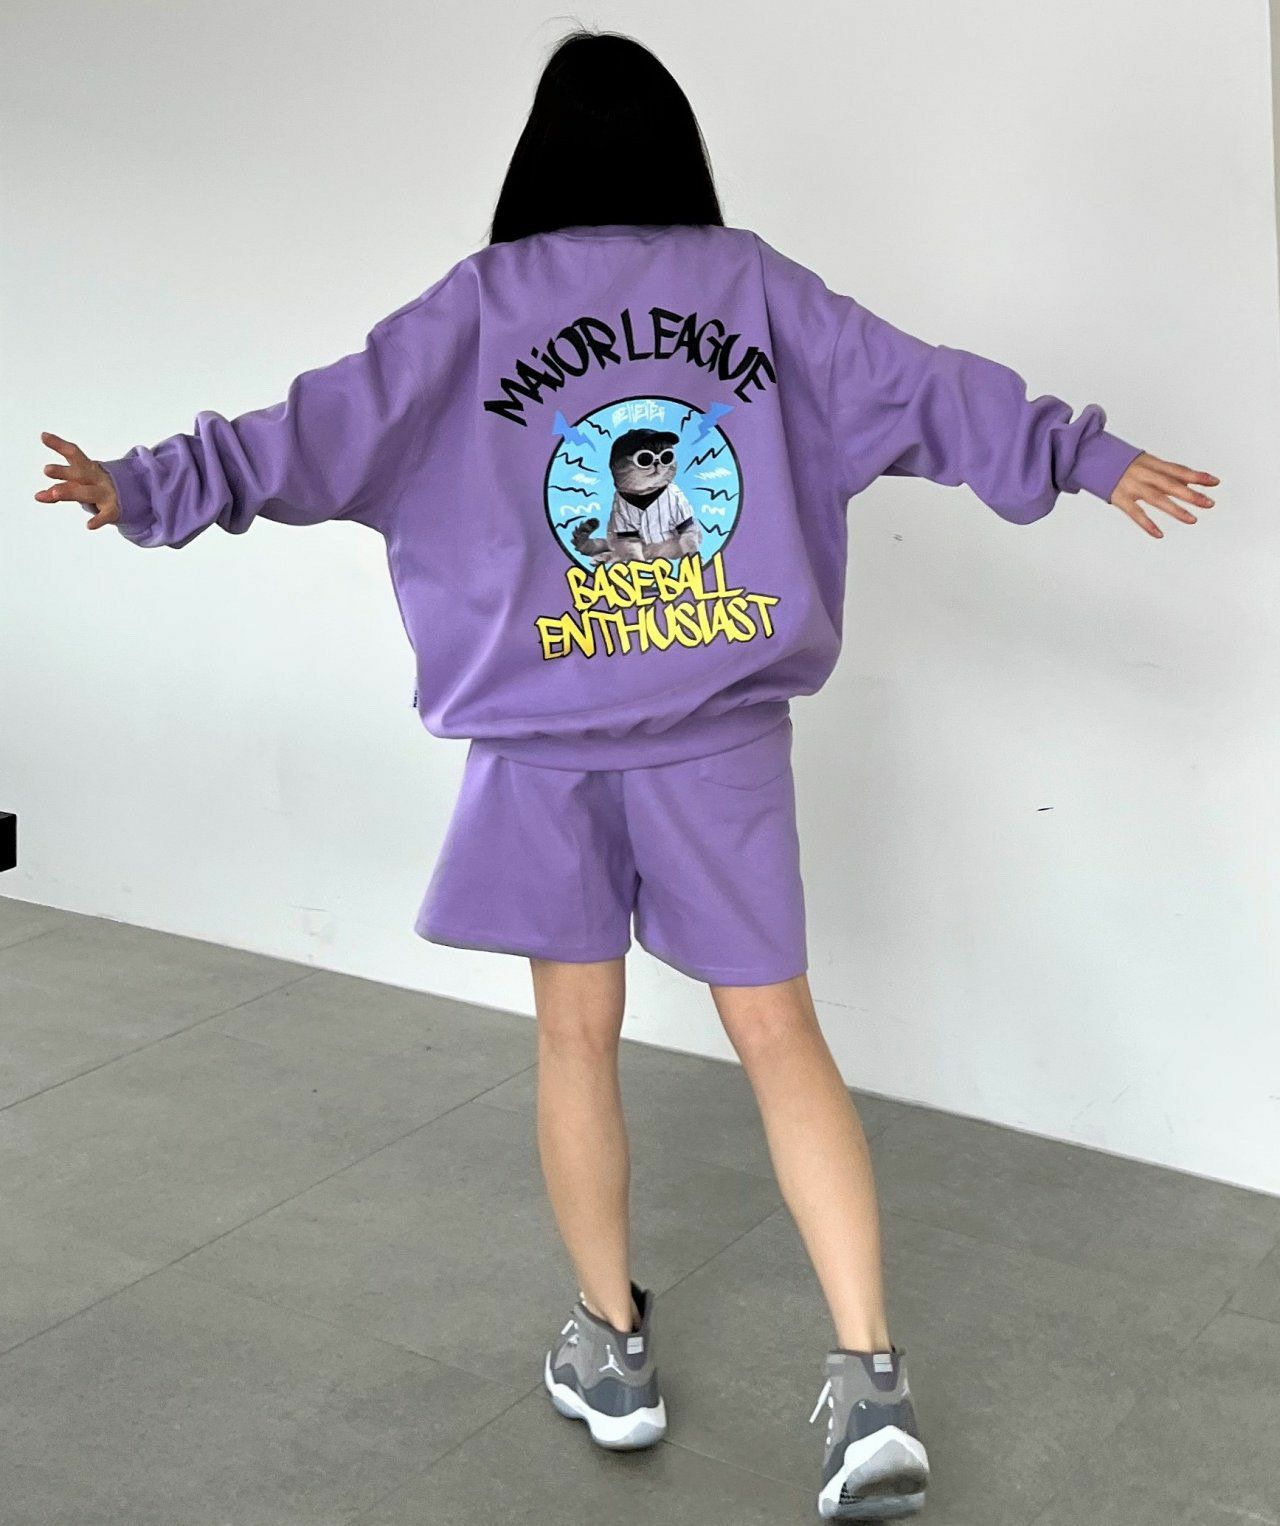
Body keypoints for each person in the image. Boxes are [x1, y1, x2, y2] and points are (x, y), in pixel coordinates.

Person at [34, 26, 1219, 1522]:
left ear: (537, 160)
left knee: (574, 1039)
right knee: (781, 1035)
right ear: (678, 150)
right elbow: (922, 388)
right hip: (718, 735)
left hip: (543, 746)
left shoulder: (480, 307)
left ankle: (613, 1355)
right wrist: (1084, 457)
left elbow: (311, 432)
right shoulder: (755, 290)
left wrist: (144, 483)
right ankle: (871, 1382)